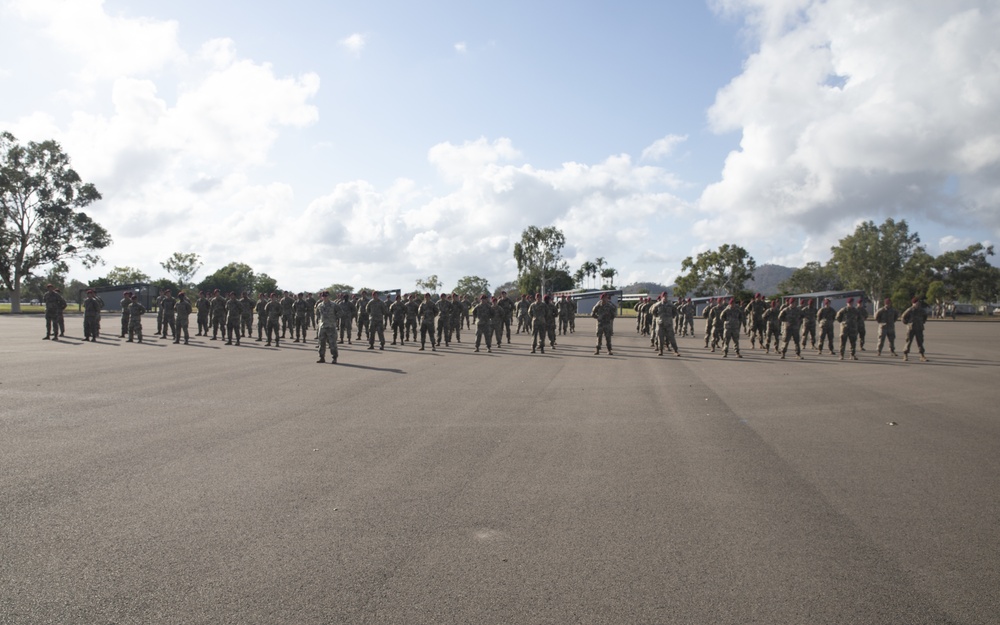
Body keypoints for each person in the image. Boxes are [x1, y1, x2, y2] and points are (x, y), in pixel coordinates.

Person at [649, 292, 680, 356]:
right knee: (660, 338)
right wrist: (657, 317)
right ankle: (660, 351)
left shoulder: (671, 305)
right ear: (661, 297)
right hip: (660, 324)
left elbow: (675, 312)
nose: (665, 297)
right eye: (664, 296)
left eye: (666, 296)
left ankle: (676, 351)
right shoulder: (657, 305)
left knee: (672, 338)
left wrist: (671, 317)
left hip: (669, 324)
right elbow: (652, 311)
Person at [315, 291, 340, 364]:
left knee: (332, 343)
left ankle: (334, 358)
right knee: (321, 343)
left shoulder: (334, 305)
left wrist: (334, 318)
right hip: (322, 327)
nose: (324, 298)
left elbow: (340, 312)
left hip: (331, 326)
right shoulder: (320, 305)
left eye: (326, 296)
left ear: (328, 296)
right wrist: (320, 321)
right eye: (323, 296)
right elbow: (317, 313)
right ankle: (321, 357)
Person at [901, 297, 929, 362]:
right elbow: (903, 317)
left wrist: (922, 322)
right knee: (908, 341)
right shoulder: (910, 310)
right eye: (916, 303)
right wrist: (907, 323)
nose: (917, 304)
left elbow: (925, 316)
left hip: (919, 328)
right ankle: (905, 355)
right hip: (911, 328)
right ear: (913, 303)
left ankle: (922, 355)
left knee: (920, 342)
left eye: (918, 303)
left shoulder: (921, 310)